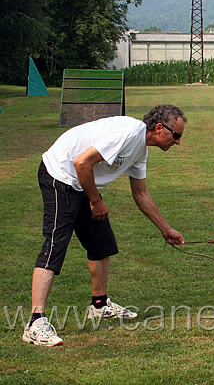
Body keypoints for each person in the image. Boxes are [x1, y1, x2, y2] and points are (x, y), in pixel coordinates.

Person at [22, 105, 187, 346]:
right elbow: (81, 162)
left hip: (81, 180)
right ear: (160, 128)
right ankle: (35, 322)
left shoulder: (140, 149)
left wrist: (166, 229)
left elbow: (140, 194)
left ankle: (99, 305)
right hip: (60, 175)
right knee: (56, 245)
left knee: (101, 243)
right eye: (177, 135)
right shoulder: (129, 133)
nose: (179, 142)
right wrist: (95, 201)